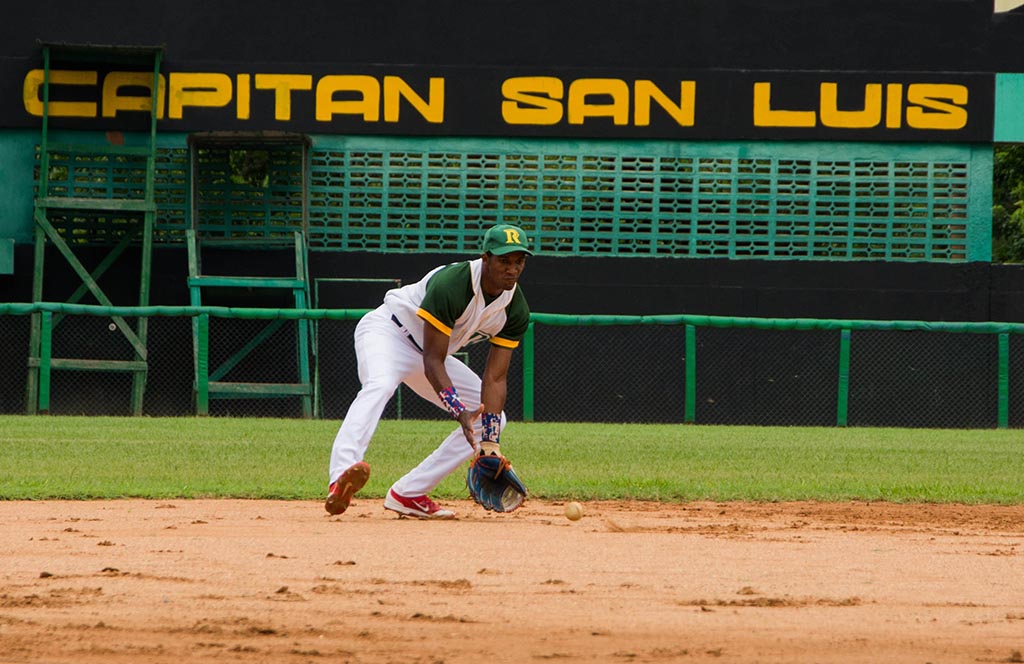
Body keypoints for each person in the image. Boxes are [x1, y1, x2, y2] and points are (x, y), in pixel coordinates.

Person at [325, 223, 533, 519]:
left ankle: (408, 493)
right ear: (485, 258)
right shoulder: (454, 283)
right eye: (503, 260)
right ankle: (341, 474)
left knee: (493, 418)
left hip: (429, 353)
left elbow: (495, 377)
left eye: (519, 261)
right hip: (389, 333)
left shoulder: (514, 308)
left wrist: (489, 442)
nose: (512, 269)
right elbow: (433, 362)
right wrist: (457, 408)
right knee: (380, 385)